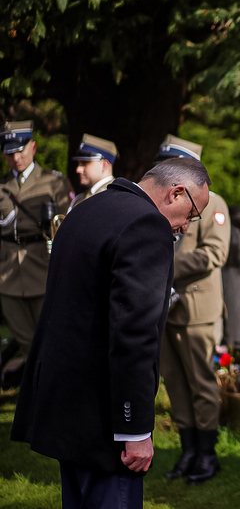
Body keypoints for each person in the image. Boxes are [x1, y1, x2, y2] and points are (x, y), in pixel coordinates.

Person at [10, 158, 211, 509]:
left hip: (64, 406)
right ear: (176, 192)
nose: (183, 228)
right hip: (104, 419)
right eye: (191, 214)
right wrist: (134, 431)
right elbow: (134, 336)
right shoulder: (148, 225)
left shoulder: (88, 209)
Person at [157, 135, 231, 485]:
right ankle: (188, 449)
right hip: (165, 306)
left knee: (200, 382)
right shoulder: (161, 202)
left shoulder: (212, 203)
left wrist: (167, 262)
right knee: (174, 381)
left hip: (196, 305)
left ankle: (207, 453)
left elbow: (214, 254)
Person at [0, 121, 73, 355]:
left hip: (43, 268)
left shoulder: (54, 182)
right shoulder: (1, 186)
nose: (15, 158)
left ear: (33, 147)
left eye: (20, 150)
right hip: (8, 273)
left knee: (53, 339)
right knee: (26, 343)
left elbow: (67, 229)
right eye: (9, 153)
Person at [67, 133, 118, 212]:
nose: (78, 169)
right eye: (79, 164)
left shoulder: (117, 195)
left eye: (85, 163)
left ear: (105, 164)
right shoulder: (79, 199)